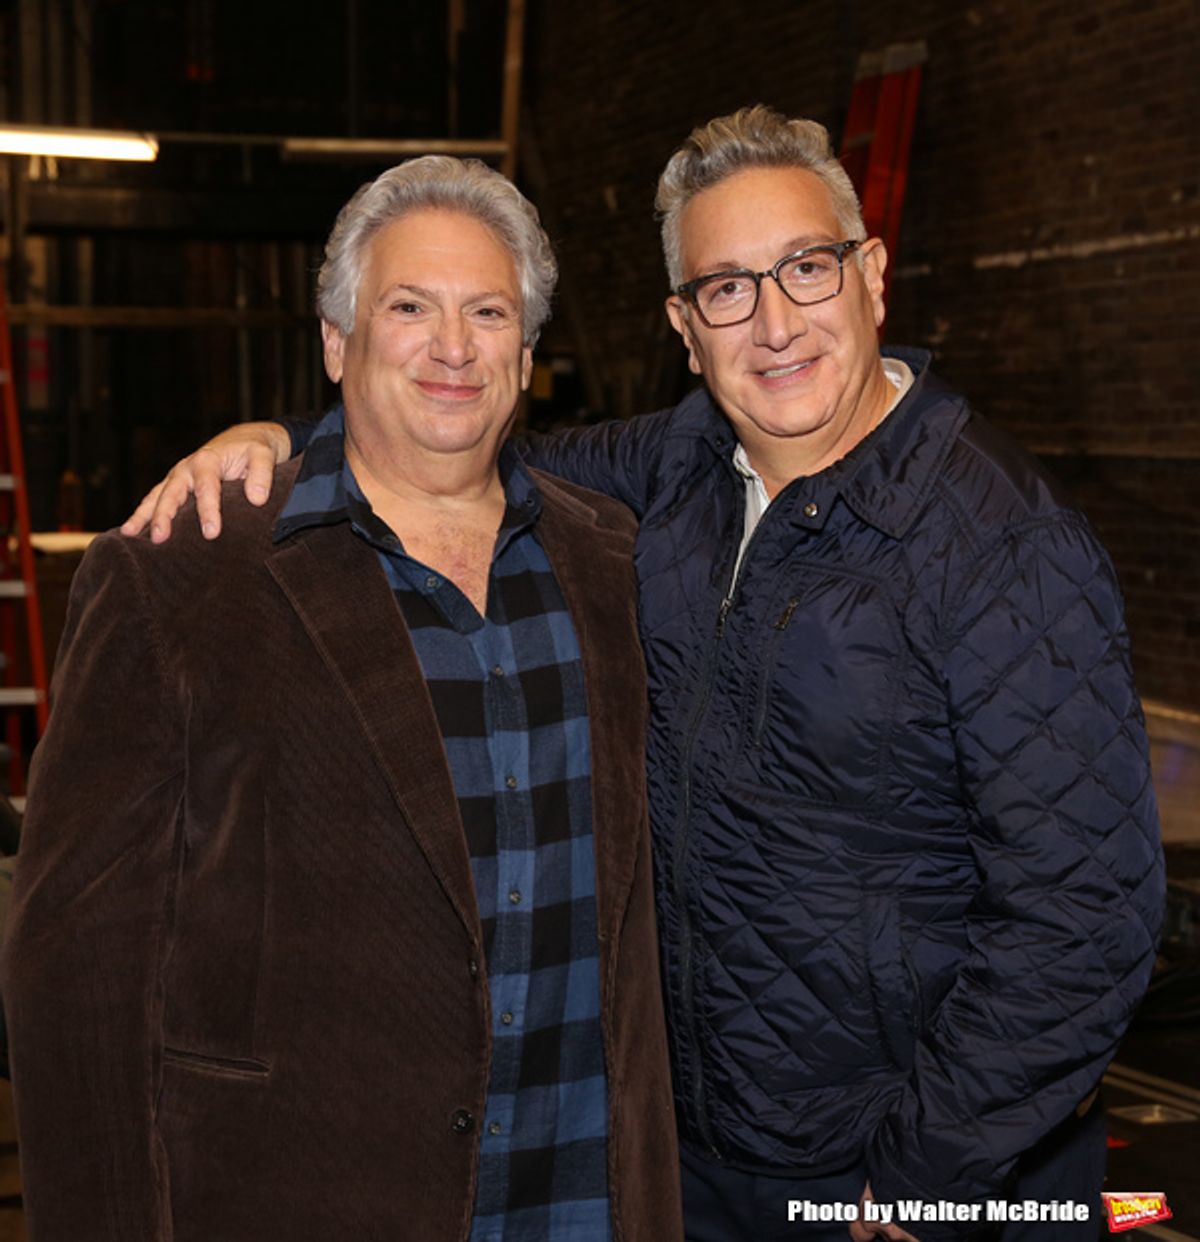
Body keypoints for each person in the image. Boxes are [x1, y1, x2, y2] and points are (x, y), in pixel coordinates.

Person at [123, 107, 1164, 1241]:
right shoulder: (673, 471)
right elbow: (448, 441)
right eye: (728, 289)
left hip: (913, 1183)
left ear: (870, 278)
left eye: (806, 270)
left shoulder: (1001, 545)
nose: (774, 324)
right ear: (684, 325)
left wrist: (927, 1172)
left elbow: (1087, 919)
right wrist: (279, 442)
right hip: (700, 1164)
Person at [2, 156, 682, 1242]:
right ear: (335, 340)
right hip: (297, 1197)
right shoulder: (183, 574)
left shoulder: (616, 565)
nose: (453, 347)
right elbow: (71, 972)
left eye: (488, 312)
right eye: (409, 306)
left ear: (528, 351)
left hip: (580, 1198)